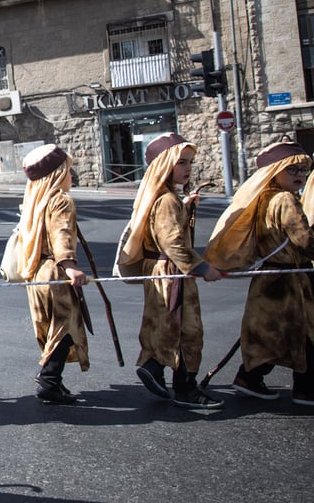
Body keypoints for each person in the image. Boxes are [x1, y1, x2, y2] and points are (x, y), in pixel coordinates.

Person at [118, 133, 223, 409]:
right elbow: (172, 242)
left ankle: (154, 367)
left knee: (165, 324)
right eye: (181, 163)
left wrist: (185, 209)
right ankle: (184, 388)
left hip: (161, 270)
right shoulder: (166, 201)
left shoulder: (167, 198)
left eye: (189, 162)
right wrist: (202, 267)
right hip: (172, 272)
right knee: (188, 329)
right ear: (165, 165)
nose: (188, 168)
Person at [205, 142, 314, 406]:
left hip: (269, 278)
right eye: (292, 169)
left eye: (303, 169)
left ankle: (249, 378)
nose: (299, 174)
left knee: (270, 333)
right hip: (290, 280)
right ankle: (305, 390)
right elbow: (304, 240)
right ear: (275, 171)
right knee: (305, 333)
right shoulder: (286, 199)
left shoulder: (264, 197)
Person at [13, 143, 90, 404]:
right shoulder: (60, 200)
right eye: (68, 171)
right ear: (57, 173)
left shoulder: (34, 199)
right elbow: (62, 233)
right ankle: (49, 380)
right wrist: (70, 265)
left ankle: (53, 381)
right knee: (65, 329)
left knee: (51, 329)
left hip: (35, 273)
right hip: (54, 273)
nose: (71, 176)